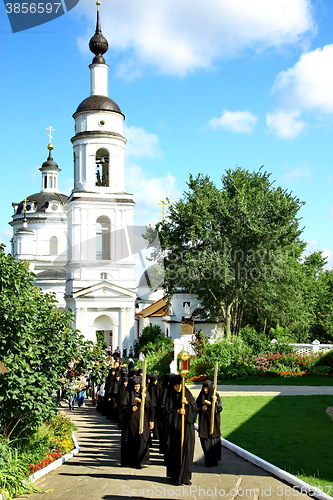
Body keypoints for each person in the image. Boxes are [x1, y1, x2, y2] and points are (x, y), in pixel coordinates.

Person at [163, 374, 197, 485]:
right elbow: (166, 412)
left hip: (186, 429)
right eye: (176, 386)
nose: (178, 388)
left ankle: (186, 476)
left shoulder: (187, 394)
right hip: (175, 430)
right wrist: (177, 412)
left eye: (179, 385)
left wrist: (186, 405)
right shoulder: (170, 395)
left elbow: (194, 408)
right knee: (175, 452)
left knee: (187, 451)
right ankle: (175, 475)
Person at [119, 376, 155, 468]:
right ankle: (132, 461)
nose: (136, 388)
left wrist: (144, 398)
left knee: (143, 439)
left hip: (143, 420)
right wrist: (130, 409)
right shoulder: (128, 393)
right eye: (135, 386)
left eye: (138, 386)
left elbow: (150, 407)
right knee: (132, 440)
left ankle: (142, 460)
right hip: (131, 422)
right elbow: (122, 407)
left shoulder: (144, 393)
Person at [196, 380, 222, 467]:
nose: (206, 390)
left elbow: (220, 408)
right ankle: (208, 459)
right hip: (204, 421)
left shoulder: (215, 395)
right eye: (204, 388)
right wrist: (201, 409)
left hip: (213, 421)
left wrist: (215, 402)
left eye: (207, 388)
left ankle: (214, 460)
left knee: (213, 439)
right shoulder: (201, 396)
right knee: (205, 440)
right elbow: (196, 408)